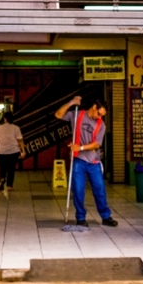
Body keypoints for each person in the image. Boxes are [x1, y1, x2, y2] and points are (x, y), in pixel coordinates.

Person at [55, 95, 118, 228]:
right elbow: (58, 114)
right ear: (94, 107)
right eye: (99, 113)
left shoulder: (101, 125)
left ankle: (105, 216)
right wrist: (72, 102)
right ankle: (80, 218)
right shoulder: (77, 115)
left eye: (102, 115)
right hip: (78, 160)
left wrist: (80, 147)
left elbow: (97, 144)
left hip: (94, 162)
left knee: (99, 190)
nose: (99, 117)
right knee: (78, 190)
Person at [0, 111, 26, 198]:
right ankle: (9, 186)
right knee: (11, 168)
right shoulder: (16, 128)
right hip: (13, 151)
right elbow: (20, 140)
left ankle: (2, 179)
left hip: (2, 151)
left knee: (2, 168)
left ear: (5, 118)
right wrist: (23, 151)